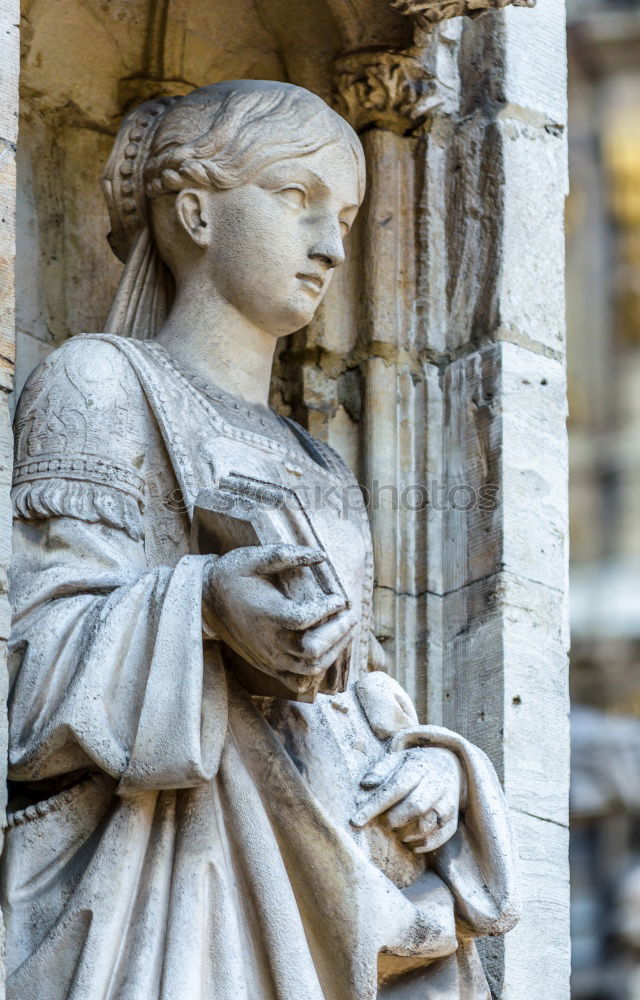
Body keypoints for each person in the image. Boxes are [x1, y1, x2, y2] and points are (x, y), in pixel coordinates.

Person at [2, 80, 519, 999]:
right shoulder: (100, 383)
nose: (331, 245)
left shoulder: (321, 463)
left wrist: (436, 766)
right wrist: (204, 607)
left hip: (346, 870)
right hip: (178, 881)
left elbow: (360, 687)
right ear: (195, 209)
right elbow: (31, 679)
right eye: (297, 199)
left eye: (350, 216)